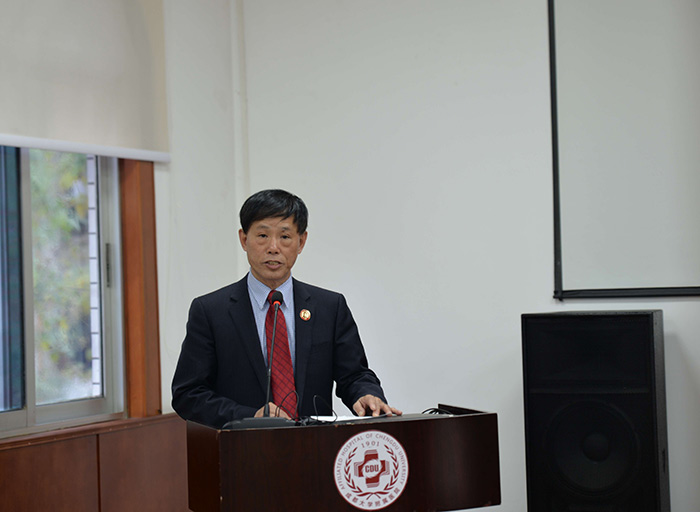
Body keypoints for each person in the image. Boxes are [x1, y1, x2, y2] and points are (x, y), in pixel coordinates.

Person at [172, 189, 401, 428]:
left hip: (316, 444)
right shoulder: (210, 311)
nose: (273, 247)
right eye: (262, 235)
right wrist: (248, 416)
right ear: (244, 239)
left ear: (301, 242)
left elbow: (354, 374)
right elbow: (188, 394)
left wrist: (366, 394)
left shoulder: (329, 307)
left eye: (285, 237)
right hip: (244, 446)